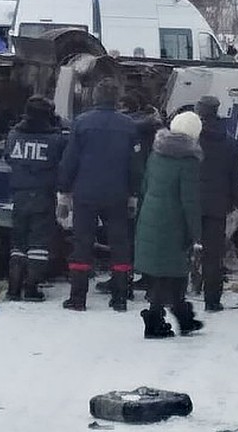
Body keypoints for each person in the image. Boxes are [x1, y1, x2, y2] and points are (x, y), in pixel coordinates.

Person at [59, 78, 142, 312]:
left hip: (85, 192)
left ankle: (78, 298)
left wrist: (64, 190)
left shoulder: (82, 123)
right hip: (117, 193)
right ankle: (120, 297)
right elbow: (134, 164)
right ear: (116, 99)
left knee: (82, 243)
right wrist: (133, 193)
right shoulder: (128, 125)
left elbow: (70, 159)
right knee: (120, 245)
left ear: (95, 97)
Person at [134, 111, 204, 338]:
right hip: (173, 223)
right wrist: (196, 233)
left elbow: (144, 187)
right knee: (173, 273)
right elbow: (190, 201)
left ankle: (179, 317)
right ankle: (160, 319)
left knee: (163, 272)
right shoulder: (188, 161)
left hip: (151, 216)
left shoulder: (157, 152)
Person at [95, 92, 163, 296]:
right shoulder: (153, 128)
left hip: (126, 188)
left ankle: (123, 278)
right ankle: (149, 277)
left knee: (124, 237)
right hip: (149, 186)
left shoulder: (124, 128)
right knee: (146, 236)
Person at [4, 96, 68, 302]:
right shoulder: (55, 139)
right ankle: (32, 287)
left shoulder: (14, 135)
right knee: (39, 244)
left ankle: (13, 288)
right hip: (43, 195)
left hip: (19, 194)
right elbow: (63, 158)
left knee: (18, 243)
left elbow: (8, 157)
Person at [195, 95, 238, 312]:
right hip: (217, 204)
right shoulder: (229, 141)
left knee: (181, 247)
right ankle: (212, 299)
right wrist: (233, 200)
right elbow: (236, 176)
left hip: (190, 202)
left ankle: (175, 293)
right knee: (213, 255)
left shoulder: (189, 138)